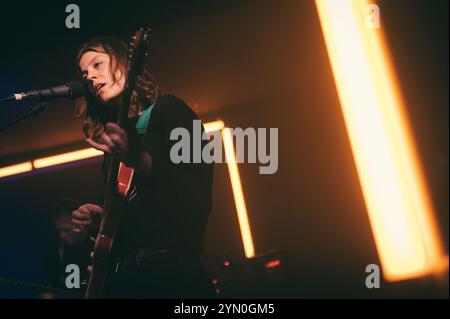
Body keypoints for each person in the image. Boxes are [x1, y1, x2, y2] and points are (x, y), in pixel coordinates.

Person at [71, 36, 215, 298]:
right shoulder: (114, 147)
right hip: (128, 283)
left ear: (127, 64)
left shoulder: (171, 111)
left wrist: (141, 160)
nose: (90, 77)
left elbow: (197, 193)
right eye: (85, 74)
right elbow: (135, 219)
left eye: (97, 64)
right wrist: (101, 219)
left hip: (174, 279)